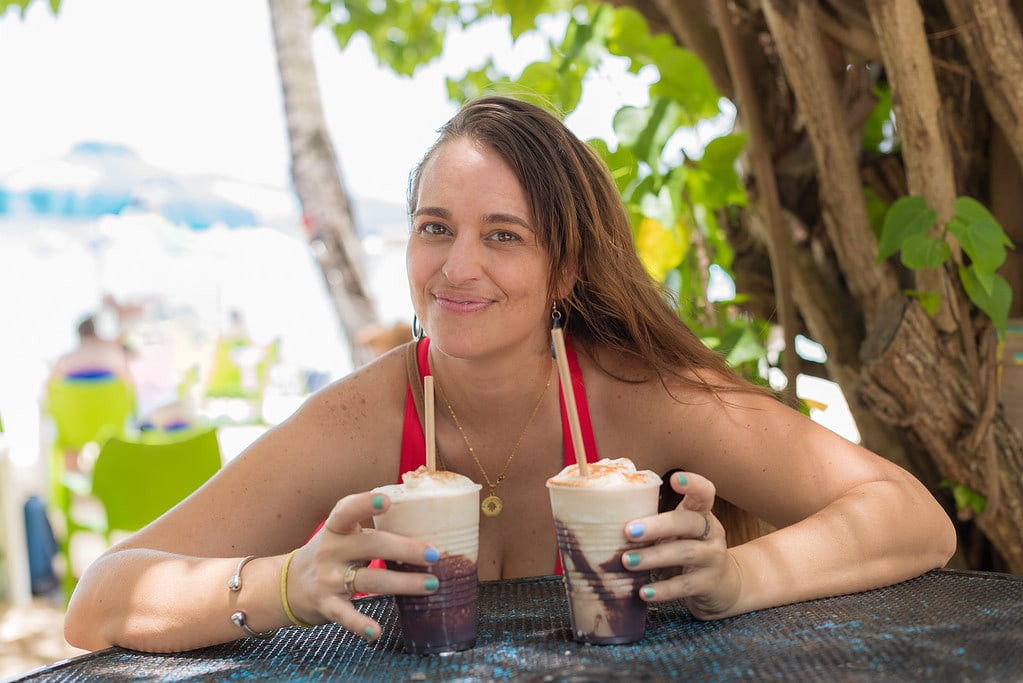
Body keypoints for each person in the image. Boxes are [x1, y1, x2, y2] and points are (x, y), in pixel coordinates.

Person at [63, 95, 956, 652]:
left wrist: (742, 579)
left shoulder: (635, 396)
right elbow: (99, 598)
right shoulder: (361, 419)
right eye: (434, 226)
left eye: (503, 236)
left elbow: (911, 518)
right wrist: (285, 584)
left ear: (564, 268)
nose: (455, 269)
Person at [48, 314, 134, 386]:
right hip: (109, 405)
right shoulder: (115, 360)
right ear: (98, 335)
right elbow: (130, 395)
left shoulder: (62, 362)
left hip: (73, 405)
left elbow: (49, 397)